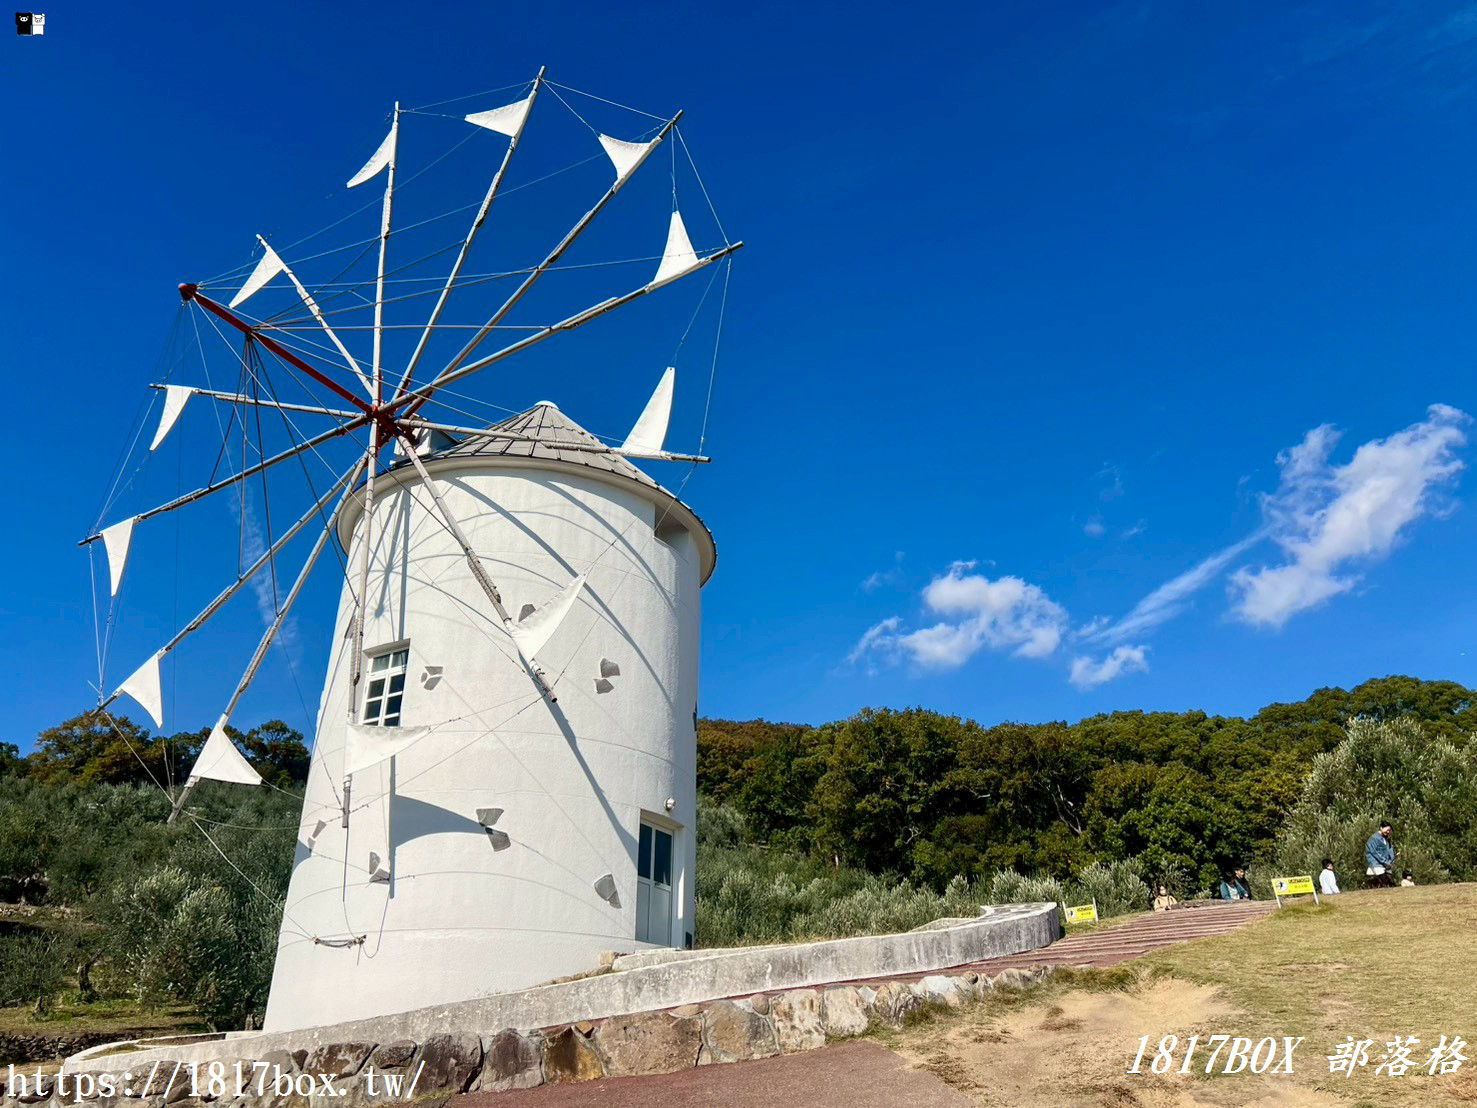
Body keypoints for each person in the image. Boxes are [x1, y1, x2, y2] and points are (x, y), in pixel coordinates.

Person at [1365, 821, 1395, 888]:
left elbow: (1389, 850)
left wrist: (1391, 860)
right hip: (1377, 864)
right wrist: (1385, 862)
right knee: (1385, 884)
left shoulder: (1386, 838)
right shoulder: (1374, 838)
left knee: (1389, 884)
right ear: (1381, 828)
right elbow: (1375, 853)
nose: (1388, 832)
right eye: (1387, 830)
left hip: (1384, 865)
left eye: (1389, 830)